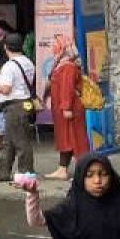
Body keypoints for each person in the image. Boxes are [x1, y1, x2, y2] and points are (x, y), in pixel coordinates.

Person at [0, 33, 36, 183]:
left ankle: (26, 175)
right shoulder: (28, 62)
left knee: (20, 142)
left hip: (14, 106)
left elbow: (6, 89)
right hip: (25, 103)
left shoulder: (9, 66)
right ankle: (4, 173)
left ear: (6, 47)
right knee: (10, 141)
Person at [43, 34, 90, 180]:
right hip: (63, 109)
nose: (53, 48)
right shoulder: (62, 64)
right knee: (66, 140)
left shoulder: (67, 66)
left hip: (69, 110)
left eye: (56, 45)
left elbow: (67, 88)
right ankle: (62, 169)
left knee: (77, 140)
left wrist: (66, 108)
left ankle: (86, 171)